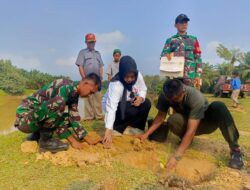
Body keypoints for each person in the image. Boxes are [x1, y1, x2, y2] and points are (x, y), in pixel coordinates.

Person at [137, 79, 244, 170]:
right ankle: (186, 141)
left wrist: (177, 156)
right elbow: (160, 116)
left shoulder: (196, 98)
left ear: (183, 91)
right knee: (173, 119)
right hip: (187, 121)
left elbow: (191, 130)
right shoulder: (166, 96)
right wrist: (145, 135)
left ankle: (235, 150)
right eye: (170, 99)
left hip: (205, 123)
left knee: (219, 106)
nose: (172, 102)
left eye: (175, 99)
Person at [15, 73, 102, 153]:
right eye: (91, 92)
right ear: (85, 83)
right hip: (24, 121)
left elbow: (73, 118)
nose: (90, 95)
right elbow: (57, 116)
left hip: (33, 120)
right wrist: (73, 141)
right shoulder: (64, 87)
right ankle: (45, 142)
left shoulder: (74, 93)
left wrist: (86, 138)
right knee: (59, 104)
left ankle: (36, 135)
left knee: (68, 116)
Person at [102, 56, 151, 148]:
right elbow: (111, 108)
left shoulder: (138, 76)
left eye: (132, 77)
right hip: (116, 106)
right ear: (122, 73)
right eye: (127, 77)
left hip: (129, 102)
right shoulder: (116, 84)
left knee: (146, 103)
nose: (129, 79)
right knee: (128, 109)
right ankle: (117, 128)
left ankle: (135, 128)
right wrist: (108, 130)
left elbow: (143, 89)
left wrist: (140, 98)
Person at [161, 14, 203, 89]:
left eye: (186, 22)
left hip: (190, 77)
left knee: (190, 99)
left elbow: (198, 59)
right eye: (181, 22)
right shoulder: (170, 40)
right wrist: (168, 55)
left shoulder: (193, 40)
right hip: (174, 76)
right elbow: (163, 57)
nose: (184, 24)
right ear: (175, 25)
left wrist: (198, 76)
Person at [75, 33, 104, 120]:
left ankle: (99, 116)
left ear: (95, 42)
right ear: (86, 42)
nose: (91, 43)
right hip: (87, 79)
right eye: (89, 42)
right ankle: (89, 117)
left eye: (93, 42)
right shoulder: (82, 52)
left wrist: (101, 77)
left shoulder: (98, 53)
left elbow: (101, 66)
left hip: (96, 80)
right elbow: (80, 66)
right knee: (88, 98)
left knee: (97, 97)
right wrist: (84, 79)